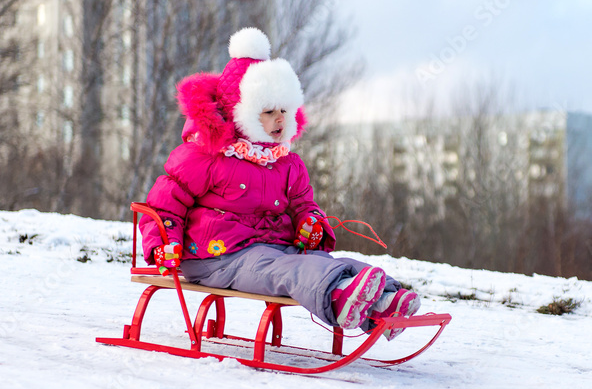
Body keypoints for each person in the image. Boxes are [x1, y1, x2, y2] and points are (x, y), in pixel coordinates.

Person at [139, 27, 420, 339]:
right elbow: (165, 203)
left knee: (319, 260)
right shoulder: (204, 155)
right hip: (216, 256)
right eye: (268, 112)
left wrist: (310, 222)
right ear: (240, 112)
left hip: (273, 249)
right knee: (288, 270)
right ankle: (340, 297)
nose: (279, 120)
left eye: (284, 111)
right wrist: (164, 244)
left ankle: (384, 300)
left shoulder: (286, 162)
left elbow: (304, 203)